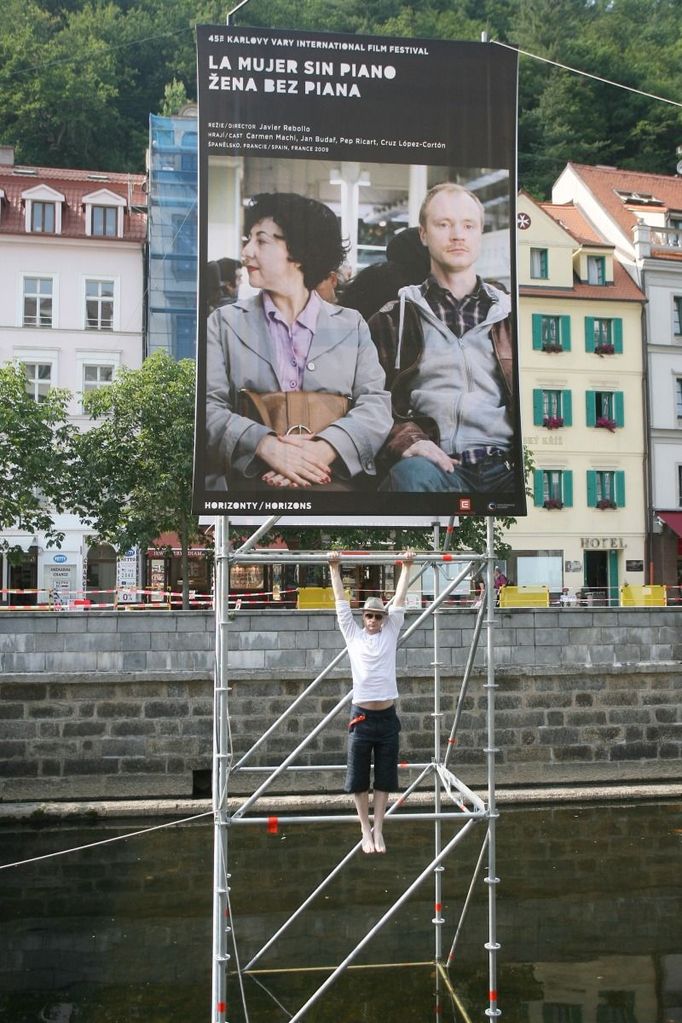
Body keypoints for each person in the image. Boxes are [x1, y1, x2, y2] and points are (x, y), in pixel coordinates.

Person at [204, 193, 392, 492]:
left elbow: (376, 405)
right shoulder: (224, 323)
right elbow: (208, 408)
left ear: (301, 252)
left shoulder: (351, 325)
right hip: (248, 488)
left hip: (334, 488)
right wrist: (267, 447)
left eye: (261, 241)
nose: (246, 252)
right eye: (248, 239)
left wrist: (323, 450)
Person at [368, 182, 515, 495]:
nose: (457, 235)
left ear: (480, 233)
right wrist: (407, 439)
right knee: (410, 478)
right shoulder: (391, 320)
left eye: (468, 225)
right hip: (434, 463)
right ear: (423, 234)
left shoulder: (511, 317)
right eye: (443, 224)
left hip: (507, 466)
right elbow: (368, 402)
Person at [329, 549, 414, 854]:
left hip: (387, 717)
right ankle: (365, 830)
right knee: (358, 778)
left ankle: (379, 829)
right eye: (369, 615)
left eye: (378, 616)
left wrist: (406, 567)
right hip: (362, 717)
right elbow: (341, 604)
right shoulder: (353, 634)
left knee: (386, 777)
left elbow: (401, 598)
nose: (374, 620)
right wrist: (335, 568)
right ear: (363, 617)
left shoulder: (391, 631)